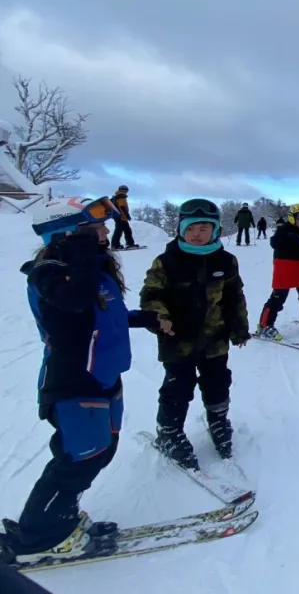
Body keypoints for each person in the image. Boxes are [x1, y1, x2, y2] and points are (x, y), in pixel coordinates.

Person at [0, 197, 154, 566]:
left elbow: (98, 310)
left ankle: (60, 519)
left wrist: (142, 317)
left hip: (103, 376)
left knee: (100, 453)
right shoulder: (48, 272)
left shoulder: (91, 270)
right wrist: (81, 251)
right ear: (70, 235)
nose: (104, 234)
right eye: (95, 229)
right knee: (77, 460)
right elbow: (73, 303)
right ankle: (39, 536)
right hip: (74, 381)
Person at [139, 199, 251, 469]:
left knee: (218, 382)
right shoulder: (166, 261)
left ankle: (218, 420)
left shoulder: (226, 260)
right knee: (177, 387)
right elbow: (151, 295)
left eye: (204, 228)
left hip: (215, 339)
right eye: (191, 228)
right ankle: (169, 432)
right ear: (181, 228)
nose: (197, 234)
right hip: (177, 339)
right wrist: (159, 317)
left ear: (214, 230)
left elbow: (234, 296)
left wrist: (239, 327)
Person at [257, 203, 299, 338]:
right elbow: (274, 243)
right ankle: (265, 325)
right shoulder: (284, 229)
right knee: (279, 296)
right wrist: (290, 239)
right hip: (284, 264)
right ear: (292, 217)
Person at [110, 184, 137, 249]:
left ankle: (126, 243)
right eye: (126, 190)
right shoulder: (121, 196)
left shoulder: (117, 196)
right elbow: (122, 206)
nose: (126, 192)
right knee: (121, 230)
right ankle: (116, 245)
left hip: (119, 216)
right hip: (121, 216)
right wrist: (127, 215)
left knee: (125, 230)